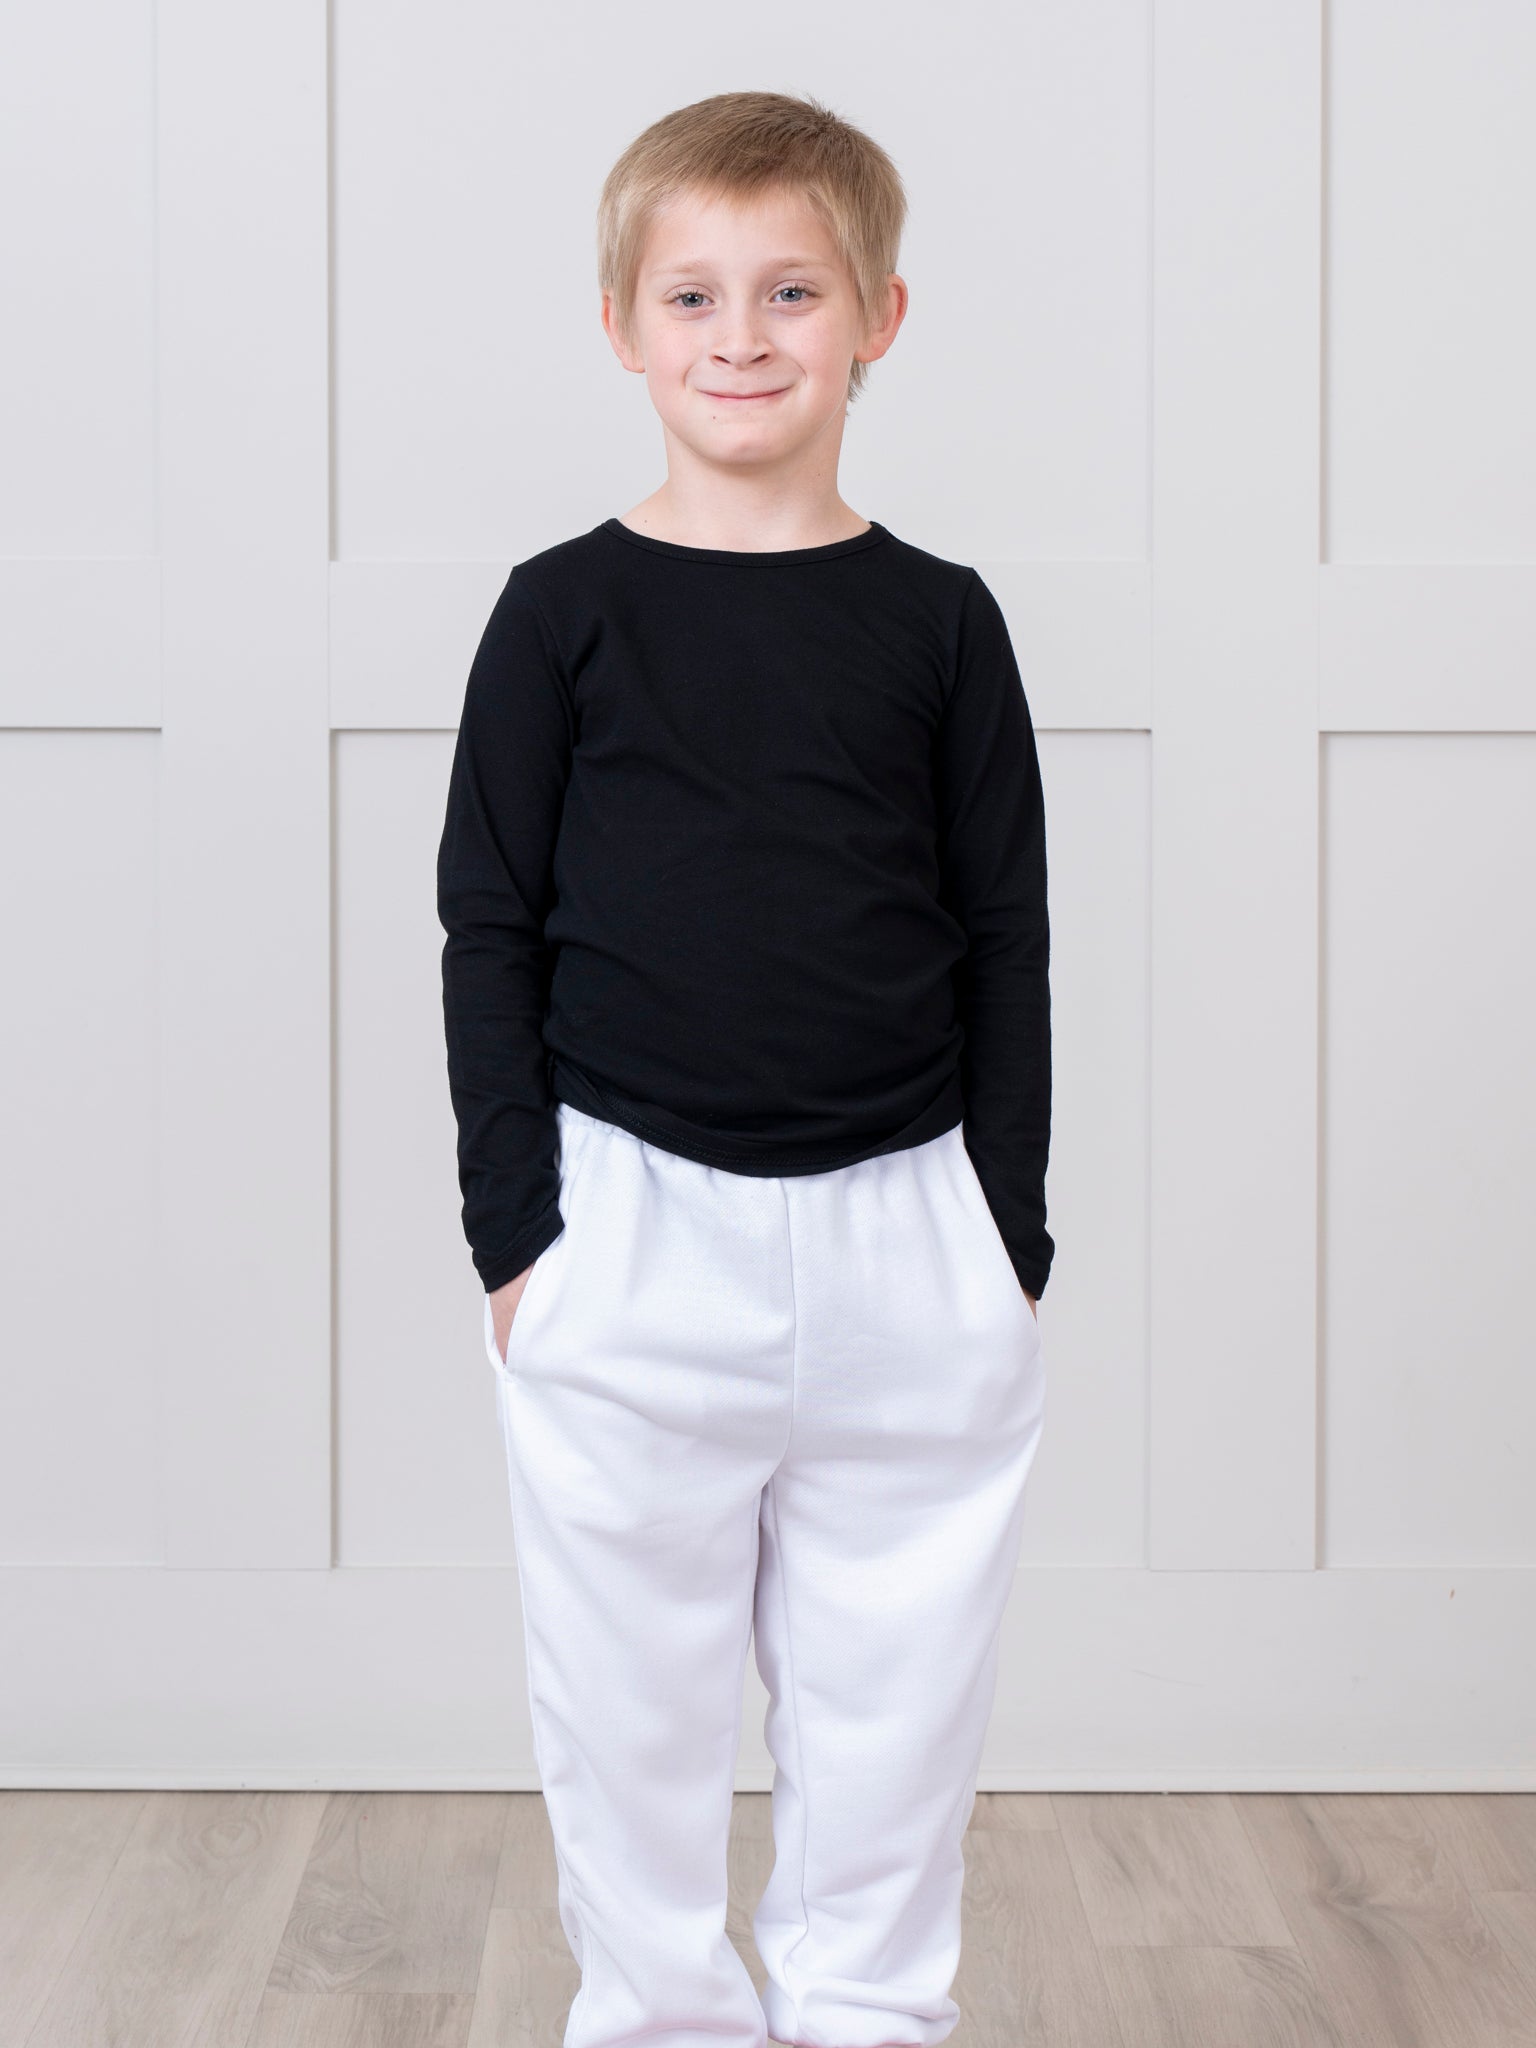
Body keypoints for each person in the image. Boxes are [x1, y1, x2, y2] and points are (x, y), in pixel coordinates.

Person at [437, 87, 1053, 2048]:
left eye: (793, 289)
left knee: (898, 1702)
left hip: (910, 1230)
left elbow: (1007, 934)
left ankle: (871, 2012)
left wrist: (1005, 1229)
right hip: (626, 1223)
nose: (742, 335)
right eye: (692, 294)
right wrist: (519, 1233)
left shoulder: (941, 623)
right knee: (627, 1706)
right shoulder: (561, 614)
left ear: (879, 317)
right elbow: (489, 926)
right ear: (623, 327)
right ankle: (658, 2019)